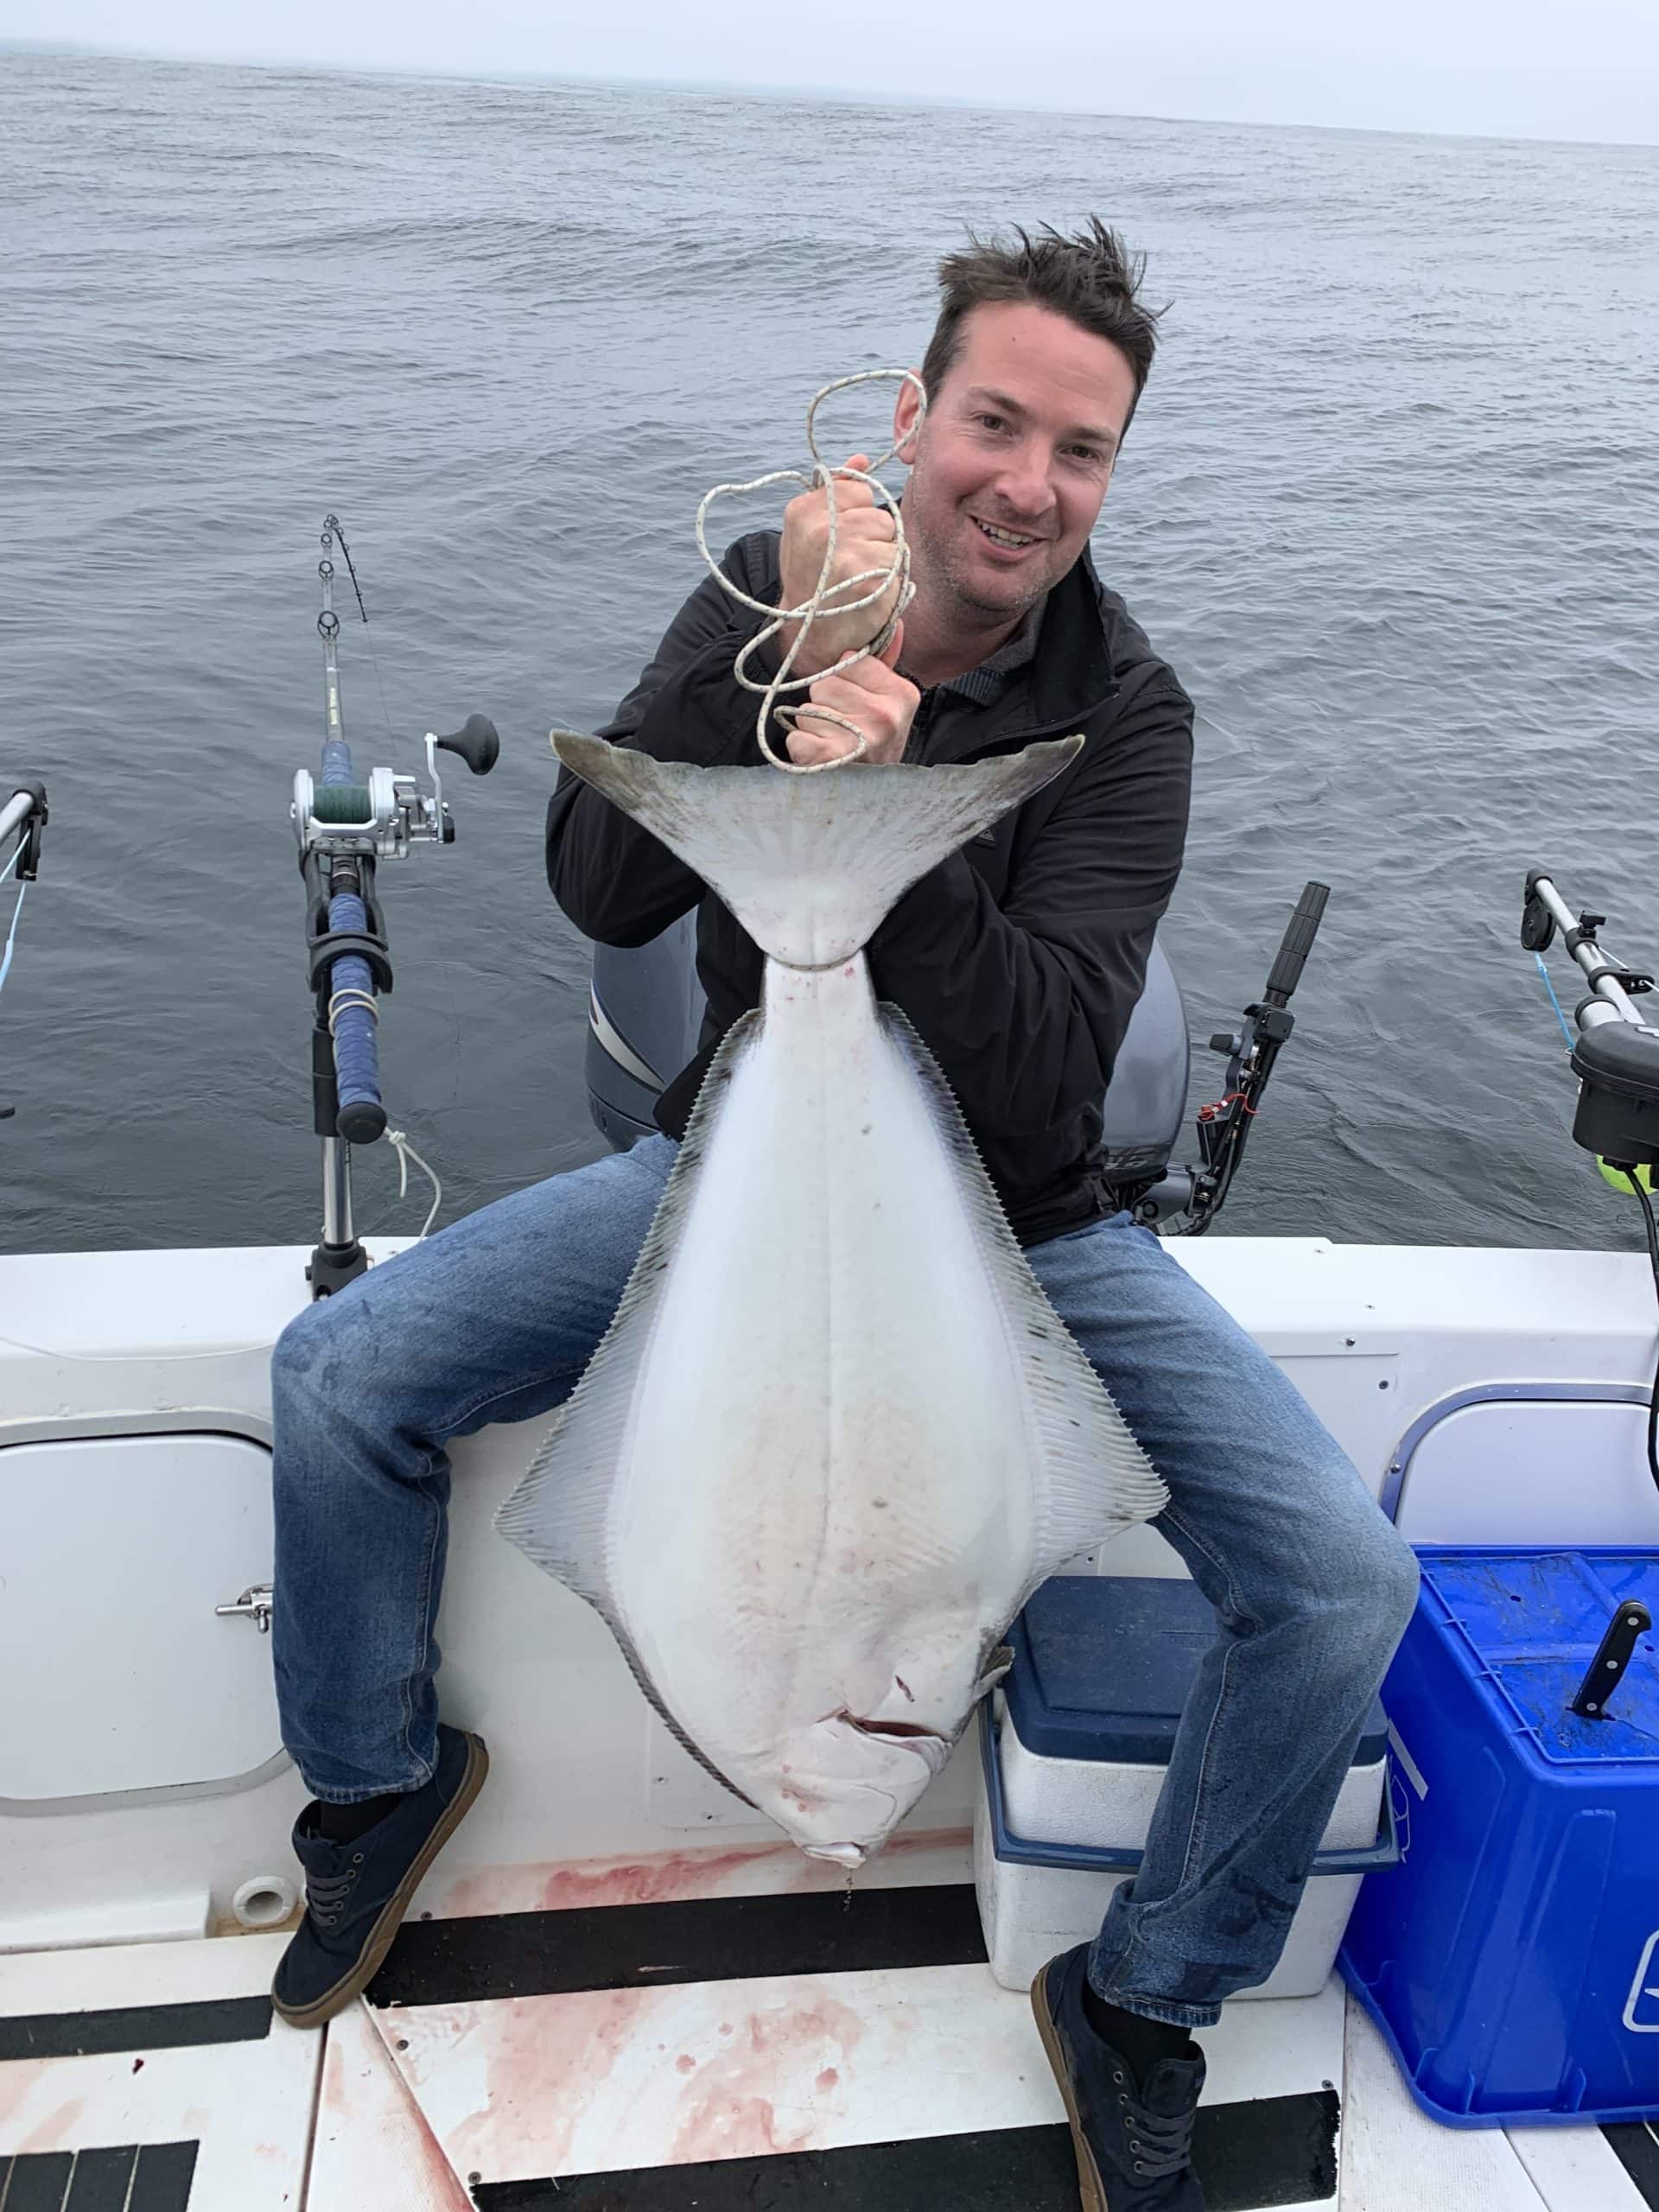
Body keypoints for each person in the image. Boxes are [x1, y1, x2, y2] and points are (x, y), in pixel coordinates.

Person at [266, 219, 1419, 2212]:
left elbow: (1057, 1062)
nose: (1030, 483)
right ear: (916, 413)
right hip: (728, 1162)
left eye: (1084, 450)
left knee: (1338, 1586)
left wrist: (890, 850)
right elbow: (602, 887)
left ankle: (1139, 1998)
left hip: (1041, 1225)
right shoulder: (771, 585)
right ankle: (381, 1780)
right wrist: (768, 652)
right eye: (996, 422)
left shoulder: (1129, 711)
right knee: (340, 1377)